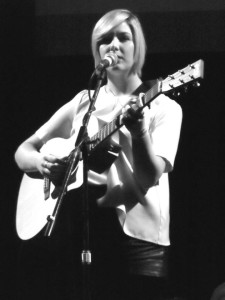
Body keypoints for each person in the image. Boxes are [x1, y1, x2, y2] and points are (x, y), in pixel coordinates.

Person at [15, 9, 183, 300]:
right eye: (105, 40)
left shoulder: (163, 106)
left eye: (123, 37)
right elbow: (23, 151)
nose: (114, 45)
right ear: (97, 51)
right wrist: (43, 163)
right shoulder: (83, 101)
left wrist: (140, 131)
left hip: (139, 242)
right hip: (86, 234)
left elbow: (149, 176)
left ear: (137, 46)